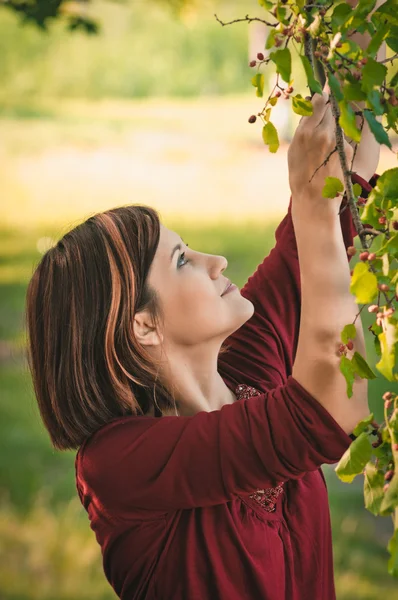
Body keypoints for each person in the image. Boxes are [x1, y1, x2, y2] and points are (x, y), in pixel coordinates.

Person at [25, 92, 379, 600]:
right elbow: (326, 411)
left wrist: (356, 30)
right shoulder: (117, 467)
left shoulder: (247, 372)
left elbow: (340, 187)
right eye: (183, 261)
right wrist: (310, 208)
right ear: (142, 325)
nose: (215, 261)